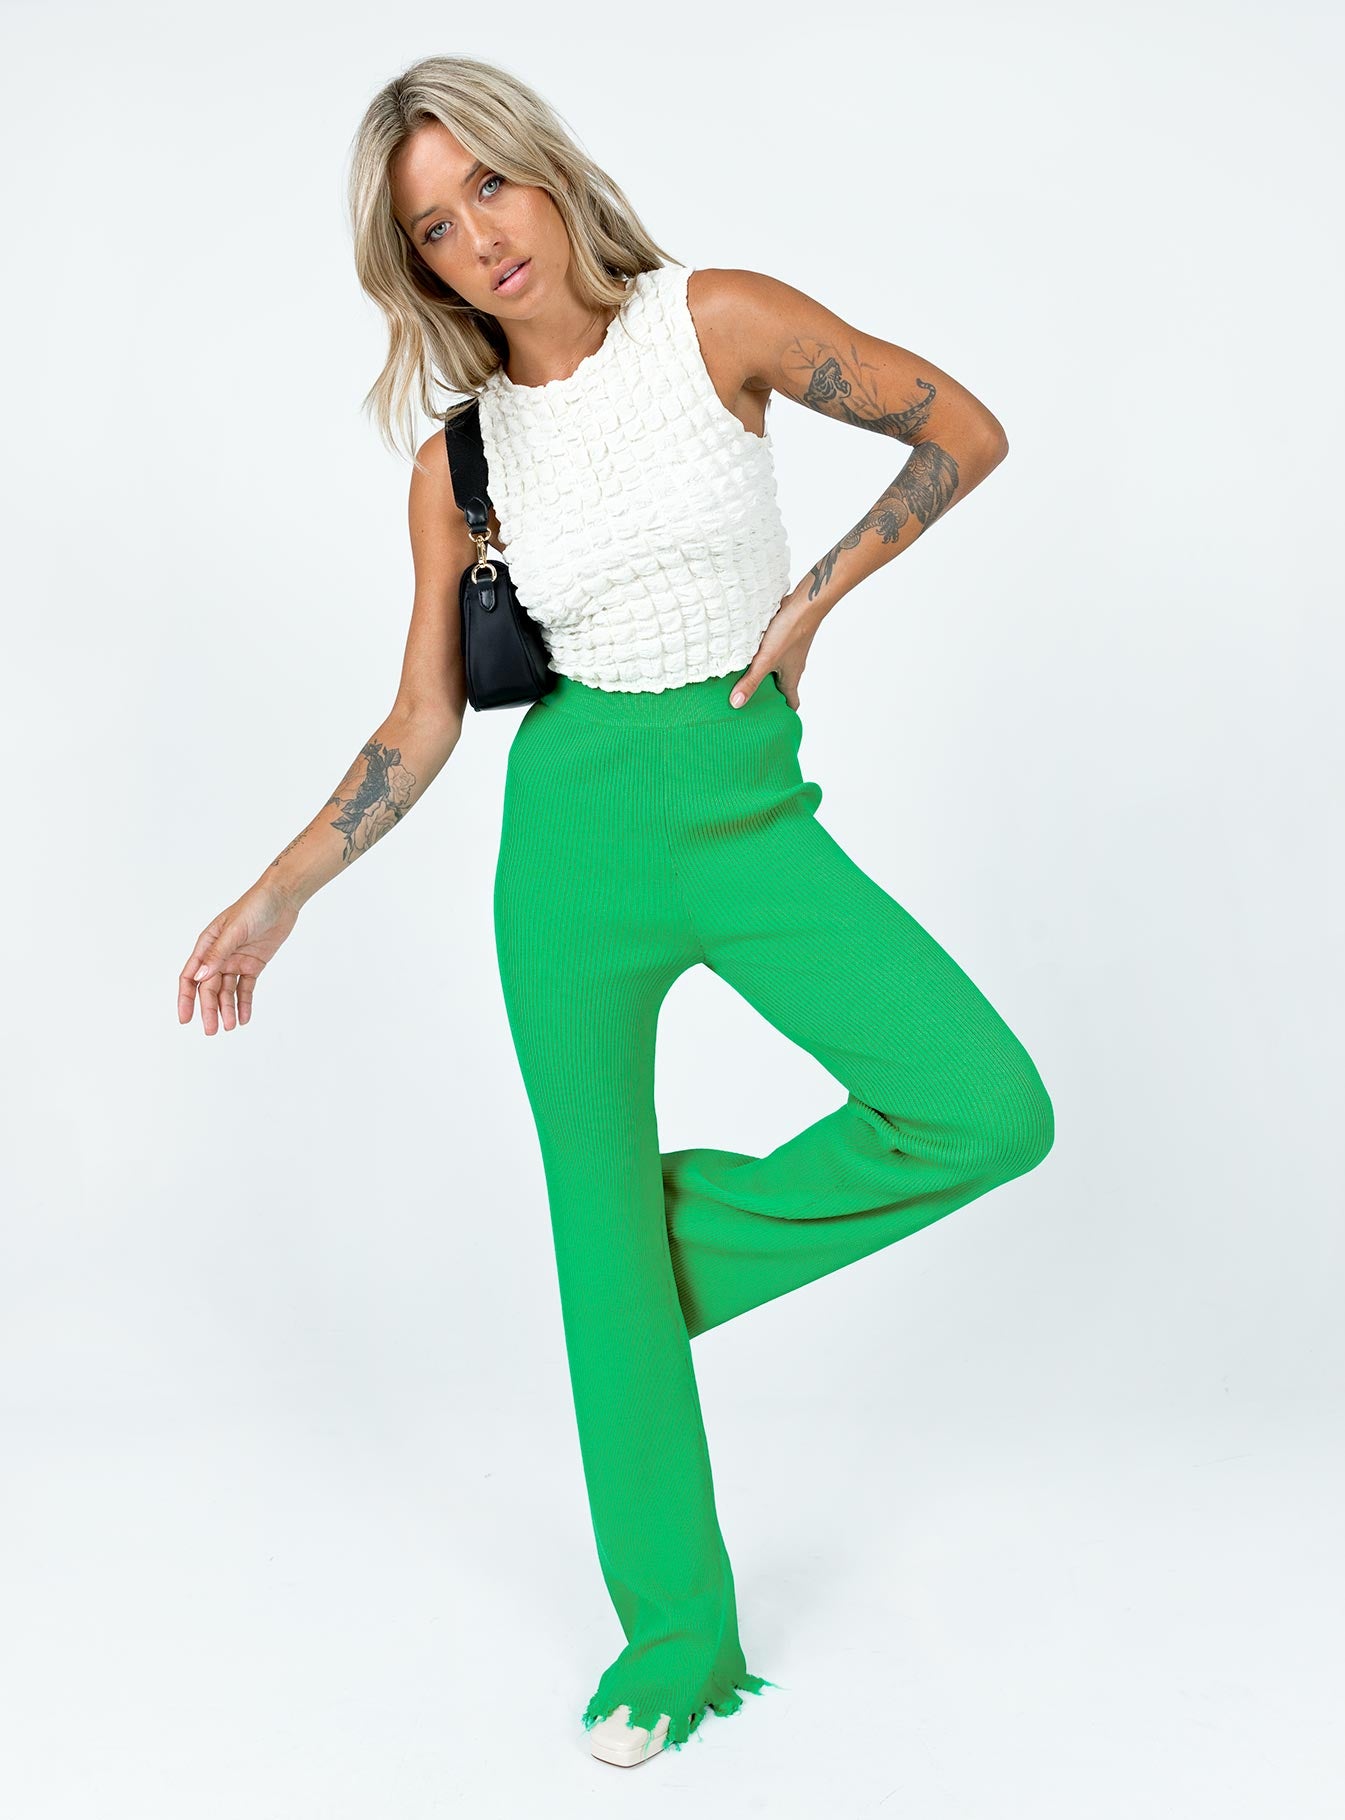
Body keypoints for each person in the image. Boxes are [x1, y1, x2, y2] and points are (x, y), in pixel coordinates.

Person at [177, 54, 1056, 1770]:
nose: (478, 238)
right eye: (434, 229)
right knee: (596, 1217)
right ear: (416, 267)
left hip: (747, 813)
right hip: (569, 847)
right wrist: (279, 891)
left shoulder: (716, 320)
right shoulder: (458, 463)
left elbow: (962, 427)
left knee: (979, 1111)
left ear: (543, 169)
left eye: (486, 188)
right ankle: (673, 1640)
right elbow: (421, 718)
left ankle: (627, 1285)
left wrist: (816, 595)